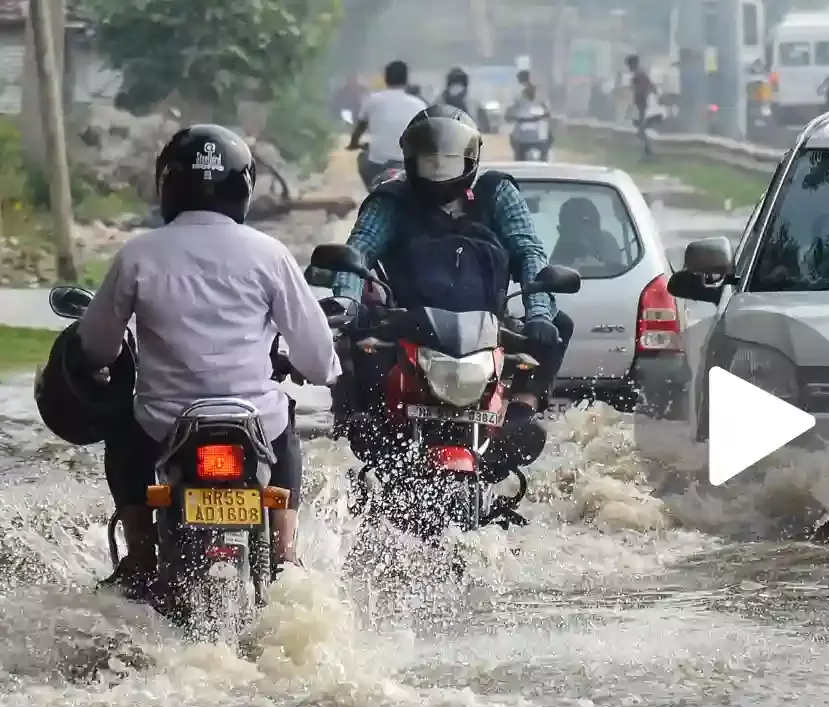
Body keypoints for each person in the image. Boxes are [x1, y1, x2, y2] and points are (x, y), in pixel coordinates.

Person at [67, 124, 340, 596]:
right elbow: (317, 359)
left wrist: (102, 362)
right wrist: (324, 371)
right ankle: (285, 551)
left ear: (167, 184)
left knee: (123, 431)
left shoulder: (138, 254)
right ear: (245, 187)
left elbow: (96, 344)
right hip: (253, 422)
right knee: (285, 422)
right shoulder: (270, 255)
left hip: (163, 424)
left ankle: (139, 555)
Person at [328, 106, 571, 468]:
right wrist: (344, 300)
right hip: (407, 324)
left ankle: (521, 410)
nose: (439, 171)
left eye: (449, 162)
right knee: (356, 335)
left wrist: (538, 312)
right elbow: (358, 250)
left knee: (558, 325)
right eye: (430, 161)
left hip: (487, 328)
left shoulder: (497, 194)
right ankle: (369, 423)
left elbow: (529, 251)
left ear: (470, 160)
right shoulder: (391, 200)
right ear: (412, 159)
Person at [348, 60, 428, 189]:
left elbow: (359, 129)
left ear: (385, 78)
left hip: (378, 163)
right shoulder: (419, 104)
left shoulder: (372, 100)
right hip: (407, 163)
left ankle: (373, 190)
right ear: (406, 79)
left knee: (362, 158)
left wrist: (353, 144)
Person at [505, 81, 553, 159]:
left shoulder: (542, 103)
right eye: (530, 91)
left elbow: (549, 114)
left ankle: (545, 157)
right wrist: (515, 118)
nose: (532, 93)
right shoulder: (518, 103)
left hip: (540, 139)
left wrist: (543, 117)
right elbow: (508, 116)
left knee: (549, 138)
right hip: (522, 139)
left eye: (533, 91)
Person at [625, 54, 658, 159]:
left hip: (642, 106)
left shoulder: (638, 75)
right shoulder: (640, 74)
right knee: (640, 131)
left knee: (641, 131)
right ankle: (647, 153)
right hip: (641, 106)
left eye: (629, 65)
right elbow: (651, 87)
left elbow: (645, 88)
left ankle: (648, 153)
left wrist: (635, 88)